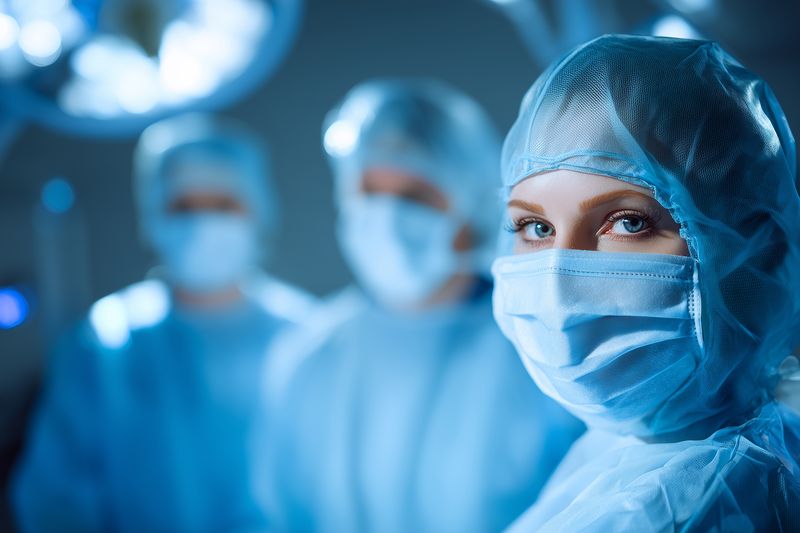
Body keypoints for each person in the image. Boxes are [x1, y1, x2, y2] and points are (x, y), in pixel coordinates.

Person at [491, 34, 800, 531]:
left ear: (751, 251)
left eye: (628, 222)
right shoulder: (624, 457)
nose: (558, 281)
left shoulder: (683, 510)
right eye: (537, 228)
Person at [261, 79, 583, 533]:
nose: (386, 215)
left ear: (470, 209)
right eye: (369, 190)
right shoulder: (310, 353)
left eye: (414, 196)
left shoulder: (541, 352)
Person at [12, 113, 315, 532]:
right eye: (184, 206)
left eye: (222, 205)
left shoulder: (306, 338)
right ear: (152, 215)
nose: (203, 222)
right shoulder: (107, 343)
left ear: (258, 210)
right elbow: (55, 499)